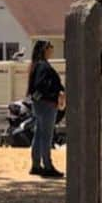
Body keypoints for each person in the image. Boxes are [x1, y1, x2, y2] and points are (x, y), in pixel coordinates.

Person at [27, 40, 65, 179]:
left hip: (39, 104)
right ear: (45, 49)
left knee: (39, 134)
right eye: (50, 47)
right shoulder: (43, 66)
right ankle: (47, 166)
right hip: (46, 104)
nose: (52, 49)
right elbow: (41, 86)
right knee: (46, 136)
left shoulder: (37, 65)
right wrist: (55, 95)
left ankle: (36, 165)